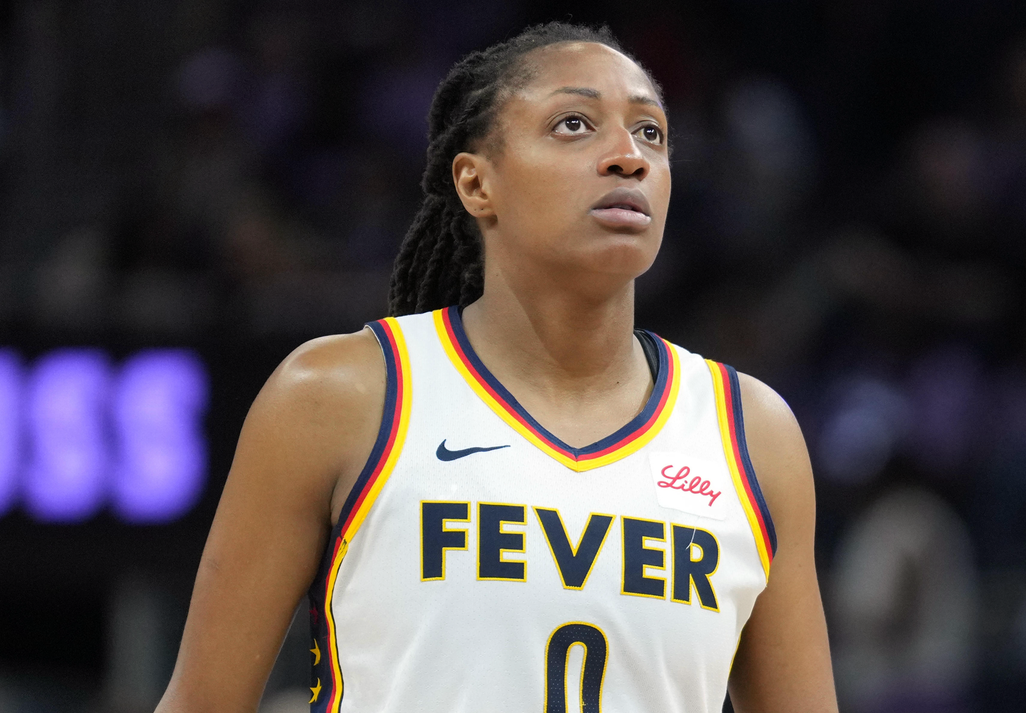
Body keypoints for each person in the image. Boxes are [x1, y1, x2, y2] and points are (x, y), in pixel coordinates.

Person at [156, 22, 837, 713]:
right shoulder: (338, 395)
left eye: (651, 133)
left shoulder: (750, 431)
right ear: (477, 183)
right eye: (575, 124)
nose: (629, 156)